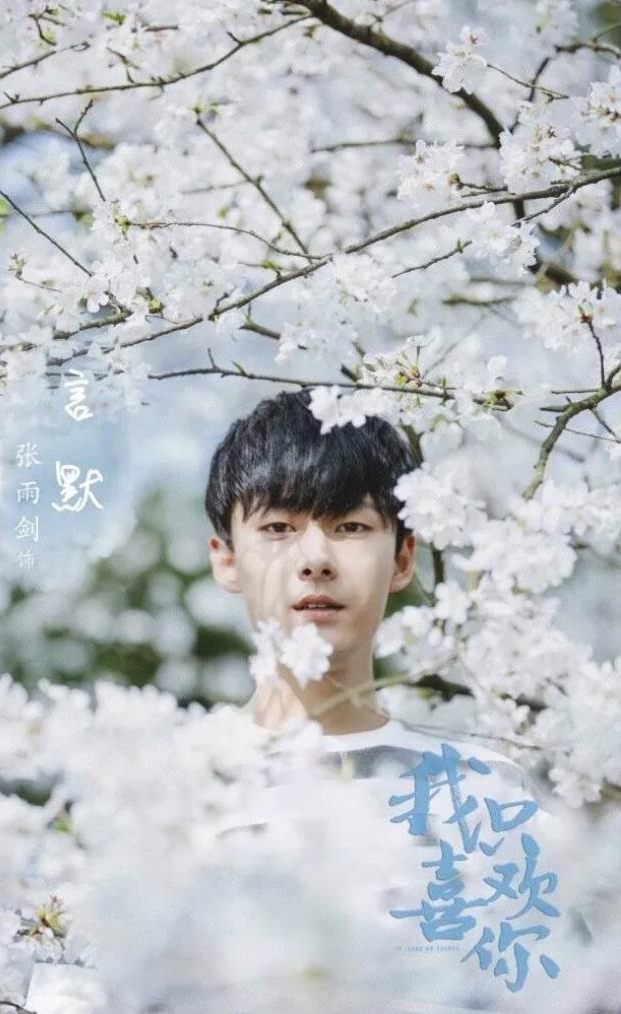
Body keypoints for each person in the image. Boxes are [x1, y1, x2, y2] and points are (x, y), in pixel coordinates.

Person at [205, 386, 595, 1013]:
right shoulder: (161, 790)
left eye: (350, 527)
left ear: (403, 558)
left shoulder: (486, 793)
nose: (315, 559)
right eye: (278, 528)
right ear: (226, 560)